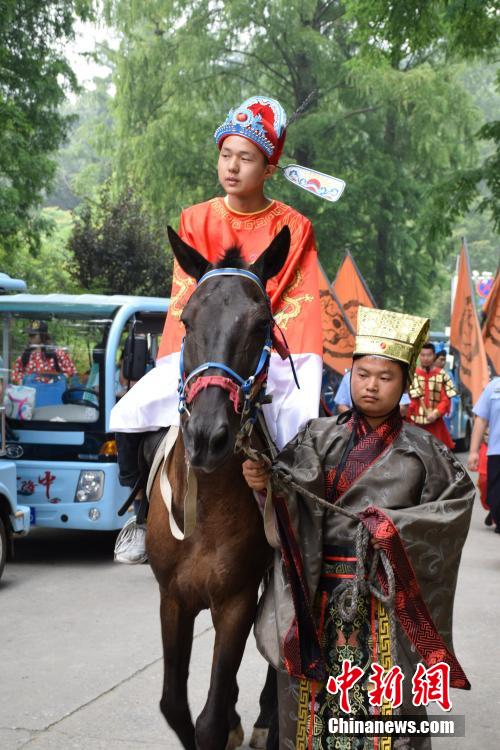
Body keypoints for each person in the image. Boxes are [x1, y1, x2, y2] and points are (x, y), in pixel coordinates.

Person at [243, 306, 474, 748]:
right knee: (311, 716)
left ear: (404, 385)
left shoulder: (425, 452)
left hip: (386, 597)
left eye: (385, 377)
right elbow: (290, 502)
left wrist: (392, 527)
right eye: (363, 373)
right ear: (350, 374)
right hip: (318, 593)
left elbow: (454, 511)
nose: (371, 384)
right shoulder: (317, 435)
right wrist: (266, 487)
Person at [110, 95, 323, 563]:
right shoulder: (194, 219)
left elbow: (293, 297)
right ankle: (142, 516)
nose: (232, 166)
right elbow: (189, 299)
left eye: (245, 158)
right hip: (205, 348)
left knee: (306, 425)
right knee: (128, 413)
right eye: (226, 154)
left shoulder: (295, 226)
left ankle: (301, 527)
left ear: (268, 168)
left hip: (263, 348)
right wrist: (193, 354)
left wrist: (258, 343)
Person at [407, 341, 457, 448]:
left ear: (434, 356)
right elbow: (407, 399)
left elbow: (446, 400)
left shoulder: (443, 375)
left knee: (440, 457)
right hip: (415, 424)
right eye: (423, 355)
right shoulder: (412, 375)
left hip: (436, 425)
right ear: (419, 356)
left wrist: (436, 413)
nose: (426, 358)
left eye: (429, 355)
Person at [469, 376, 500, 533]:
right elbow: (481, 419)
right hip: (496, 452)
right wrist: (474, 451)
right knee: (495, 496)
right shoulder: (494, 387)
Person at [11, 320, 77, 385]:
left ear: (43, 335)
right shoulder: (26, 354)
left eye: (32, 335)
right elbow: (16, 372)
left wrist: (57, 380)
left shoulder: (56, 353)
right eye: (29, 334)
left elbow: (71, 370)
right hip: (31, 393)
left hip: (51, 393)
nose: (30, 337)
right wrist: (21, 382)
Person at [334, 367, 411, 416]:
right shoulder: (349, 376)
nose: (371, 387)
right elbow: (341, 405)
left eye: (384, 378)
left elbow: (403, 408)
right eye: (362, 375)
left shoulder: (395, 376)